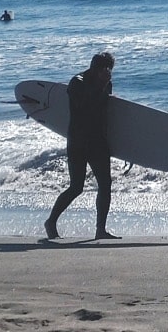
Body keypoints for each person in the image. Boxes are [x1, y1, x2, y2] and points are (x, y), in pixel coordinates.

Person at [46, 52, 119, 240]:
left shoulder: (106, 84)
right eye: (104, 68)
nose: (108, 72)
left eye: (110, 69)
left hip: (98, 141)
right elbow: (84, 107)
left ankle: (100, 229)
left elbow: (105, 114)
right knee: (76, 187)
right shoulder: (77, 82)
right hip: (79, 141)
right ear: (95, 67)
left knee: (105, 184)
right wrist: (101, 86)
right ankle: (51, 221)